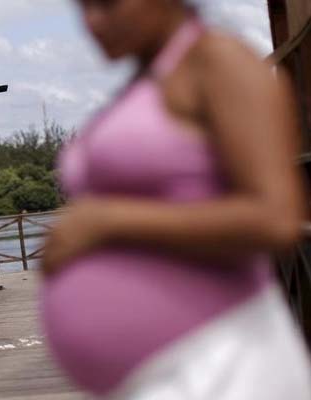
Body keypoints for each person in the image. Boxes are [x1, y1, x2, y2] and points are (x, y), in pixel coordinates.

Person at [41, 0, 311, 399]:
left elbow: (277, 217)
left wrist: (111, 222)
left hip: (223, 362)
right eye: (82, 7)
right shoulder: (147, 81)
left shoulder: (219, 60)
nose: (92, 22)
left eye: (107, 5)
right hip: (165, 374)